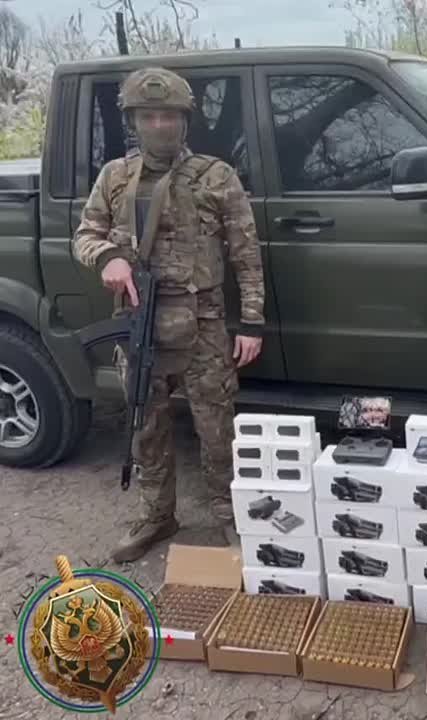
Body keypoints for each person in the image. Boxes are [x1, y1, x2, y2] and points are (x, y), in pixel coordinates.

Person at [72, 66, 265, 562]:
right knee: (146, 427)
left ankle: (229, 514)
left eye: (168, 117)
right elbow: (85, 235)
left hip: (203, 325)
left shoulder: (216, 176)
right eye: (148, 117)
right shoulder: (115, 177)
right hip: (141, 323)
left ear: (184, 121)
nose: (159, 125)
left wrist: (251, 322)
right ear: (134, 122)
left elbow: (246, 254)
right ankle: (157, 515)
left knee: (216, 427)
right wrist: (107, 257)